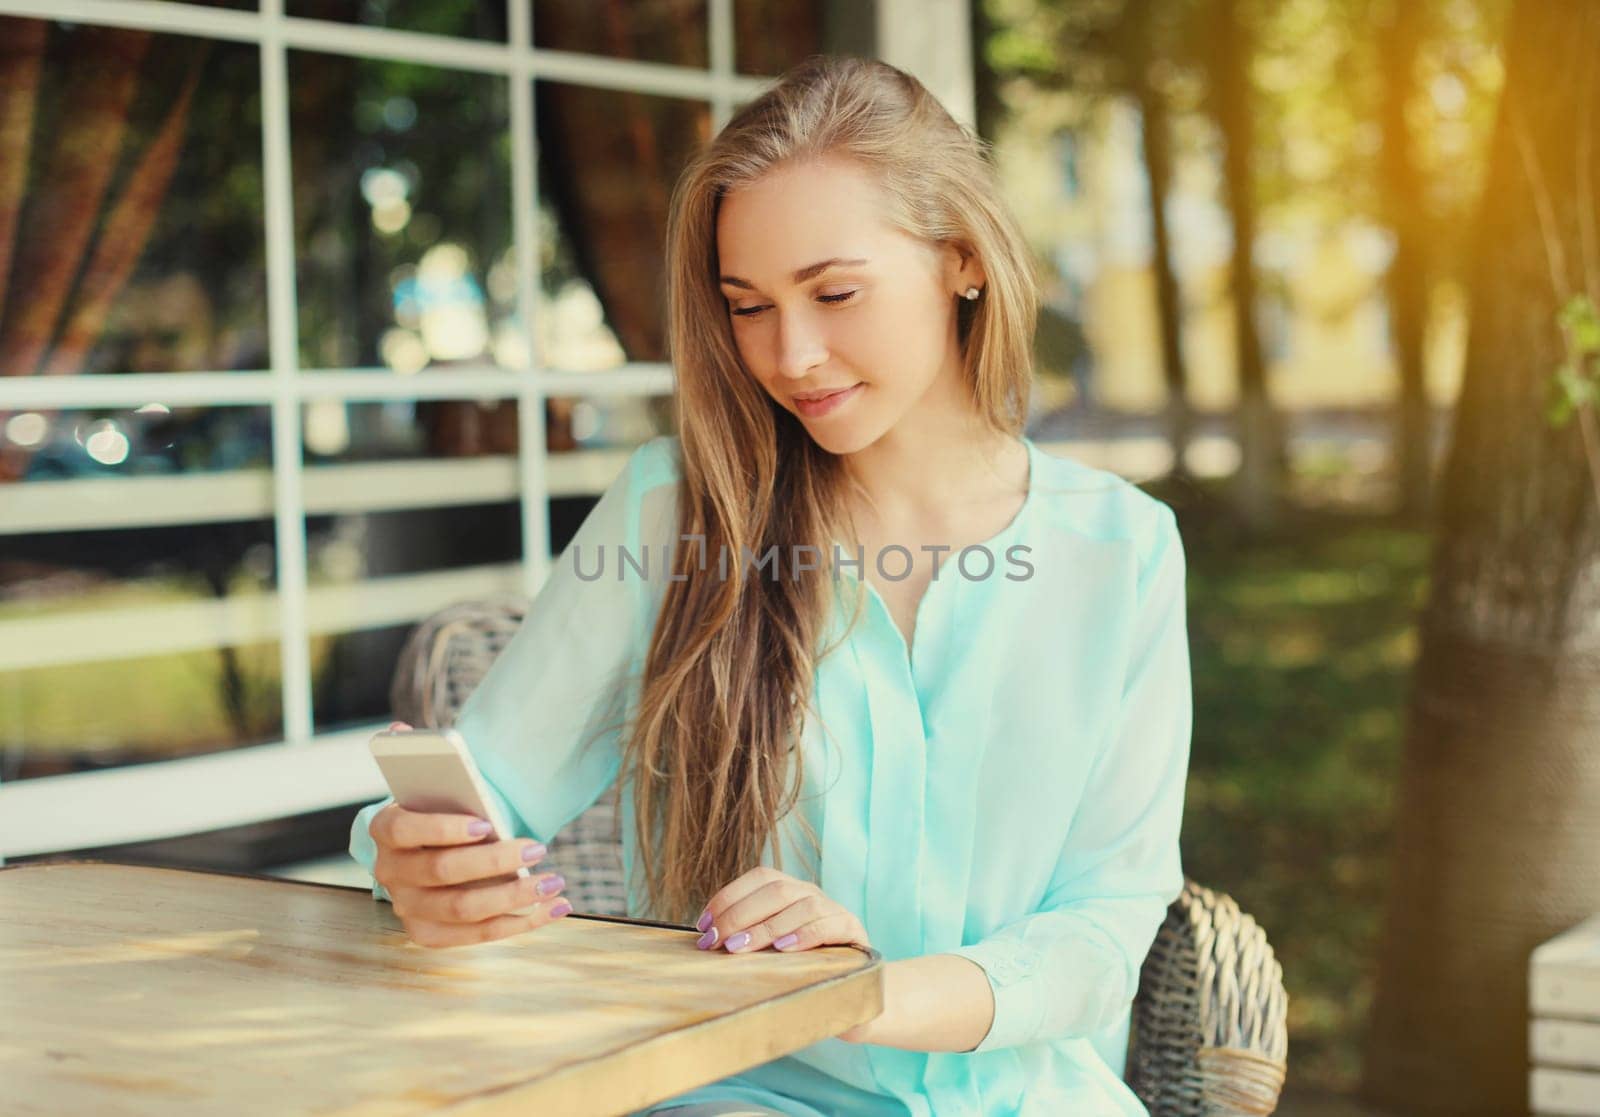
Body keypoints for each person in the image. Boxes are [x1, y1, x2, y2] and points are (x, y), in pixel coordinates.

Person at [348, 55, 1191, 1117]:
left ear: (963, 263)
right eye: (748, 307)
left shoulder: (1122, 549)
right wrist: (416, 863)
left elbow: (1107, 920)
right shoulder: (673, 514)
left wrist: (858, 988)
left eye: (835, 293)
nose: (791, 355)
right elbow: (488, 796)